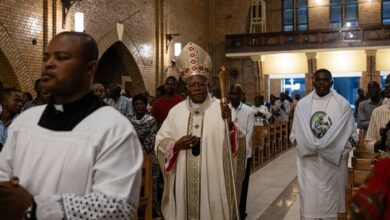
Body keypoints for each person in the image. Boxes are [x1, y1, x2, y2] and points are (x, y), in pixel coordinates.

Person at [0, 31, 143, 220]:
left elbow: (118, 206)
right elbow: (3, 173)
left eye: (62, 58)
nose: (48, 64)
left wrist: (35, 208)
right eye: (46, 57)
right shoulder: (26, 120)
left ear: (89, 69)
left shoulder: (114, 128)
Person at [155, 42, 246, 220]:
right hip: (183, 182)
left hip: (213, 182)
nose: (196, 87)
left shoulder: (222, 109)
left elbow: (240, 142)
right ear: (186, 88)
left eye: (200, 84)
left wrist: (229, 125)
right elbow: (160, 141)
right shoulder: (175, 112)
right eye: (191, 85)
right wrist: (176, 145)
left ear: (207, 85)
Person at [290, 68, 357, 220]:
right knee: (310, 206)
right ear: (313, 81)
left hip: (334, 167)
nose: (321, 82)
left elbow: (353, 136)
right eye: (318, 79)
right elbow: (293, 135)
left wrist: (339, 151)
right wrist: (304, 146)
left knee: (333, 211)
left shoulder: (342, 105)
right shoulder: (303, 105)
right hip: (309, 167)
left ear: (331, 82)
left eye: (325, 79)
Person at [129, 93, 162, 217]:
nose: (139, 106)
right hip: (132, 158)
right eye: (136, 104)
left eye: (142, 103)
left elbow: (151, 140)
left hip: (148, 157)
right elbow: (128, 140)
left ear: (146, 105)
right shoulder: (129, 120)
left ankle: (152, 209)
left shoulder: (151, 121)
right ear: (133, 106)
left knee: (151, 184)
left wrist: (135, 138)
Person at [228, 84, 255, 219]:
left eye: (236, 94)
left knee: (242, 183)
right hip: (227, 153)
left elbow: (249, 134)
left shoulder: (248, 111)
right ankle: (229, 210)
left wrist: (239, 147)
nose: (234, 96)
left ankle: (241, 211)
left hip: (244, 153)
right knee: (228, 182)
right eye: (231, 94)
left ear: (241, 95)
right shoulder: (224, 109)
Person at [365, 82, 390, 153]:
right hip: (385, 160)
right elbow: (368, 143)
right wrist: (382, 142)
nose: (387, 85)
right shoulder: (377, 112)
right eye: (387, 83)